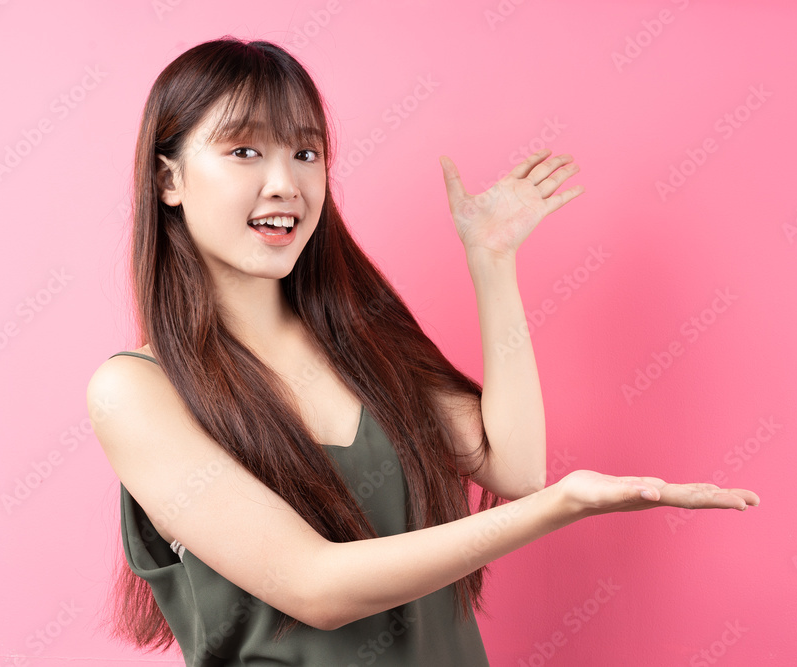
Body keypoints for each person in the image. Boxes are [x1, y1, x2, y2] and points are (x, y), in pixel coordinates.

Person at [87, 36, 760, 666]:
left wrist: (492, 264)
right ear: (168, 180)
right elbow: (314, 585)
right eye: (244, 152)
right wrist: (563, 506)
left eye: (306, 152)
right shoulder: (137, 390)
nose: (285, 183)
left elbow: (513, 466)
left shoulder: (361, 343)